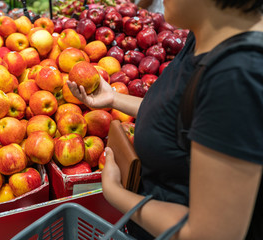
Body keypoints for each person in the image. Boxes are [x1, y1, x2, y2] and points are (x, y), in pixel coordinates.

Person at [67, 0, 263, 239]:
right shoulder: (204, 38)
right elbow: (182, 117)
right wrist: (114, 99)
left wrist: (116, 193)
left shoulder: (237, 76)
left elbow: (211, 234)